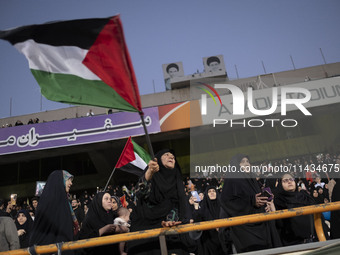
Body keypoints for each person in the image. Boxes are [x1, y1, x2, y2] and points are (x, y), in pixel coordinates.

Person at [128, 149, 194, 255]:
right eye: (167, 155)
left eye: (173, 156)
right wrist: (149, 172)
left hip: (168, 236)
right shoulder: (151, 174)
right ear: (157, 160)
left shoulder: (176, 180)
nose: (171, 157)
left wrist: (169, 221)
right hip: (144, 236)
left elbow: (176, 206)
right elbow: (139, 193)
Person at [220, 154, 281, 253]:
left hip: (262, 226)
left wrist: (265, 204)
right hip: (246, 231)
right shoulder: (232, 180)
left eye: (248, 161)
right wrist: (251, 201)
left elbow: (256, 199)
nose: (246, 164)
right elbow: (226, 201)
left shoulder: (252, 180)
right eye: (242, 162)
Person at [29, 170, 79, 255]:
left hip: (65, 248)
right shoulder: (49, 201)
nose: (71, 183)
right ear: (60, 181)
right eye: (69, 180)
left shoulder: (64, 201)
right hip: (50, 250)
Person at [274, 173, 316, 245]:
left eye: (291, 179)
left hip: (311, 240)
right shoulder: (278, 201)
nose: (289, 182)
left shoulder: (304, 196)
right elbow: (279, 224)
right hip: (291, 243)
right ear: (280, 184)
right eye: (285, 180)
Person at [193, 186, 224, 255]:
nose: (212, 193)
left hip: (223, 240)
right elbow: (197, 222)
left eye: (214, 191)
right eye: (209, 192)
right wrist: (196, 206)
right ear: (206, 195)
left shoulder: (223, 206)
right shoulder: (203, 208)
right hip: (208, 241)